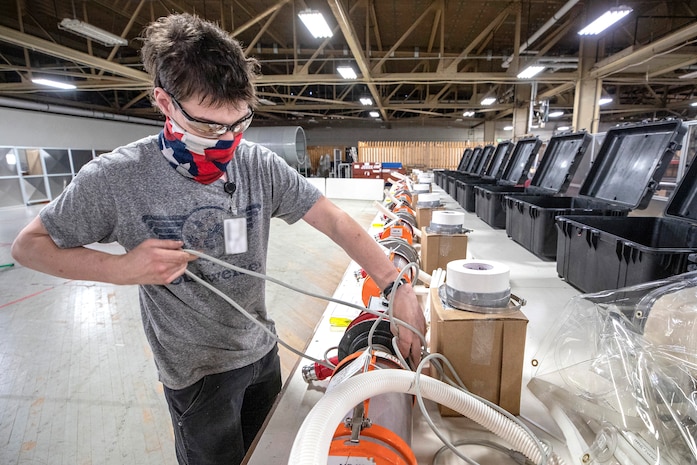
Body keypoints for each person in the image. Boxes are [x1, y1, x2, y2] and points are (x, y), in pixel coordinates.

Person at [10, 12, 426, 465]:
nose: (227, 140)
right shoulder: (116, 179)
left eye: (239, 122)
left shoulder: (257, 165)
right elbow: (27, 246)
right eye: (210, 126)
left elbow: (335, 221)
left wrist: (395, 286)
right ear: (165, 103)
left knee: (266, 453)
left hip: (262, 352)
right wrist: (120, 268)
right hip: (197, 376)